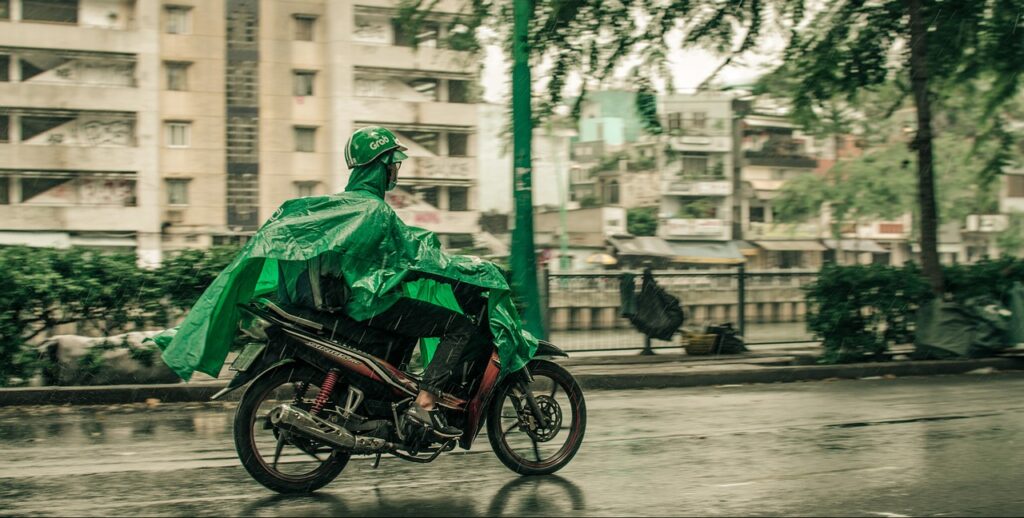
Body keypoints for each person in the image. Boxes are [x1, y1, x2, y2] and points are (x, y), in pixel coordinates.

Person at [279, 126, 485, 440]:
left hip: (351, 303)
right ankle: (425, 404)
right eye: (394, 163)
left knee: (413, 329)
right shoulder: (375, 210)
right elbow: (411, 255)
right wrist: (464, 269)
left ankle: (391, 406)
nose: (397, 171)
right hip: (374, 304)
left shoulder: (346, 205)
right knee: (459, 327)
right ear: (381, 165)